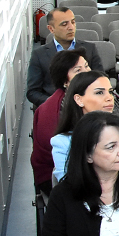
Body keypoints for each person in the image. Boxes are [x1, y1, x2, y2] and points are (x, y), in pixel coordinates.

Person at [51, 72, 119, 181]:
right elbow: (69, 186)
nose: (109, 98)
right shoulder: (62, 142)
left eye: (110, 92)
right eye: (99, 93)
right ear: (79, 99)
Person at [32, 50, 89, 194]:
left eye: (87, 66)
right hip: (58, 173)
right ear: (65, 81)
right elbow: (57, 156)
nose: (87, 72)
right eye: (78, 70)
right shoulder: (50, 110)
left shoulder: (97, 93)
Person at [26, 6, 105, 106]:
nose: (71, 27)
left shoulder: (90, 49)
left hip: (86, 105)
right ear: (51, 29)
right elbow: (32, 92)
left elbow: (101, 80)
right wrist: (55, 103)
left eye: (73, 22)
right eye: (64, 24)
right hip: (55, 109)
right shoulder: (39, 55)